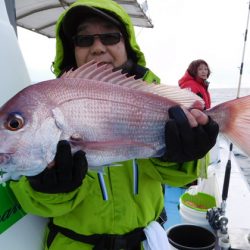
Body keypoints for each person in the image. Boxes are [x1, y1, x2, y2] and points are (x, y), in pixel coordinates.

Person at [10, 1, 219, 250]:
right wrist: (45, 187)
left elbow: (178, 177)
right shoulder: (49, 100)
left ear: (127, 44)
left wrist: (185, 155)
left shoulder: (156, 98)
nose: (97, 47)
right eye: (84, 39)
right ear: (72, 48)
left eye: (110, 36)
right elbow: (32, 202)